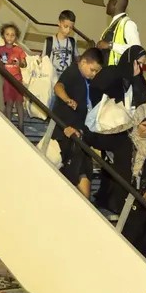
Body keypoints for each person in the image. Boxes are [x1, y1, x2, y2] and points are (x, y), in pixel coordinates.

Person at [64, 104, 146, 271]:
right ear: (136, 122)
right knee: (132, 237)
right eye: (144, 125)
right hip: (128, 197)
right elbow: (98, 140)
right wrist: (78, 132)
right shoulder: (125, 137)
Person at [52, 48, 105, 197]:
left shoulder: (85, 80)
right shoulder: (73, 72)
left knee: (83, 169)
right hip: (66, 132)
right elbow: (58, 86)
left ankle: (84, 203)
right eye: (92, 70)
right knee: (76, 170)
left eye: (96, 72)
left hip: (79, 132)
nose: (93, 74)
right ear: (83, 62)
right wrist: (67, 99)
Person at [92, 45, 146, 113]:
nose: (141, 67)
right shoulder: (111, 72)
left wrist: (136, 78)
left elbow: (142, 98)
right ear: (131, 60)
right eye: (139, 63)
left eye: (143, 64)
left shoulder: (139, 77)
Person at [0, 23, 29, 131]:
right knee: (9, 103)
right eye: (7, 34)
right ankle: (8, 125)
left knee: (19, 103)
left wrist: (19, 63)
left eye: (12, 35)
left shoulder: (19, 50)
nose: (10, 37)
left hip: (17, 80)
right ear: (3, 35)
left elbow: (24, 64)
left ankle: (21, 126)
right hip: (6, 81)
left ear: (16, 37)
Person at [97, 0, 140, 66]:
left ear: (114, 3)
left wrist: (110, 45)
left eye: (109, 2)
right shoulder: (112, 26)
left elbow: (136, 50)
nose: (107, 4)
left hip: (119, 71)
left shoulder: (128, 24)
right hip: (108, 70)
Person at [44, 10, 79, 81]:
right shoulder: (50, 41)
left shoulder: (72, 42)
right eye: (65, 26)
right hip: (51, 78)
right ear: (59, 23)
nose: (68, 30)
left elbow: (77, 58)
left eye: (71, 28)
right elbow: (44, 60)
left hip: (67, 78)